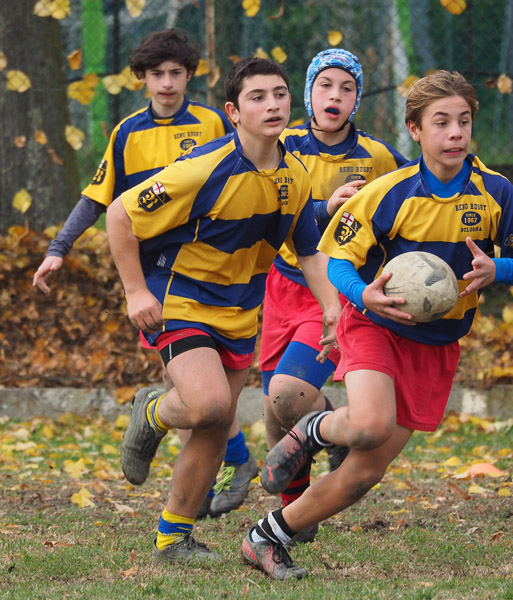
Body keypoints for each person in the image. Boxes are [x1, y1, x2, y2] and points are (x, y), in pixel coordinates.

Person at [241, 70, 513, 580]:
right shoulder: (389, 190)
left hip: (436, 342)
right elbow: (336, 258)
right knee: (367, 425)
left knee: (365, 471)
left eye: (464, 121)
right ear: (415, 129)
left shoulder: (495, 191)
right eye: (441, 122)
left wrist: (501, 269)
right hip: (374, 323)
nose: (455, 133)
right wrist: (360, 294)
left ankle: (267, 538)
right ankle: (315, 429)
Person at [106, 57, 341, 562]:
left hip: (239, 315)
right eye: (258, 97)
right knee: (208, 405)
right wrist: (134, 293)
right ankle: (152, 410)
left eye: (280, 94)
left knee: (215, 425)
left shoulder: (295, 177)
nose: (273, 104)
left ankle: (173, 538)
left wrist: (331, 308)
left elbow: (309, 251)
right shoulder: (203, 168)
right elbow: (119, 213)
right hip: (180, 302)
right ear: (233, 112)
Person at [31, 29, 258, 519]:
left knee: (196, 391)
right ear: (142, 79)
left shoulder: (215, 123)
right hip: (157, 274)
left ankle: (220, 467)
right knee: (190, 388)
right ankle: (227, 464)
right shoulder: (128, 132)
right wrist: (58, 248)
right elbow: (99, 196)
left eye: (177, 73)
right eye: (158, 74)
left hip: (215, 267)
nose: (168, 82)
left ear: (190, 76)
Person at [257, 48, 407, 545]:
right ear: (309, 94)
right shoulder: (285, 144)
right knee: (276, 414)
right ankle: (297, 514)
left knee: (287, 395)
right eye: (326, 86)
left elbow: (416, 194)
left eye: (346, 88)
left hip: (331, 290)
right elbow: (265, 200)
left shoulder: (380, 156)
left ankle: (328, 425)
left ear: (357, 97)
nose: (335, 96)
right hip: (278, 284)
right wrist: (324, 207)